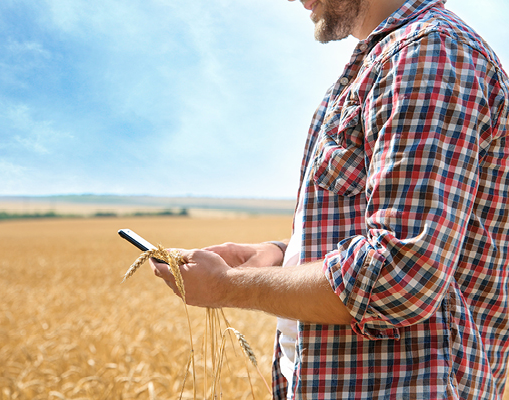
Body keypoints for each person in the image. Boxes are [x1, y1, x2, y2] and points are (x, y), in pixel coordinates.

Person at [150, 0, 509, 398]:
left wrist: (226, 287)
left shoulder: (429, 55)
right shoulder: (390, 57)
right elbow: (396, 236)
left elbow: (399, 274)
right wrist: (281, 255)